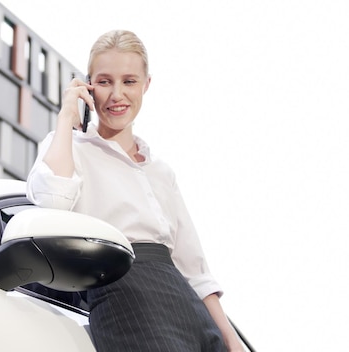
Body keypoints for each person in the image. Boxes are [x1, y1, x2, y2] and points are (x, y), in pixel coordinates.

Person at [26, 30, 243, 351]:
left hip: (189, 308)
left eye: (128, 81)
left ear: (146, 85)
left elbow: (194, 268)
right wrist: (65, 118)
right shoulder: (71, 147)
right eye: (103, 81)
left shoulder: (161, 171)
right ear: (87, 85)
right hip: (125, 294)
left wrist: (229, 337)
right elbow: (53, 204)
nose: (116, 94)